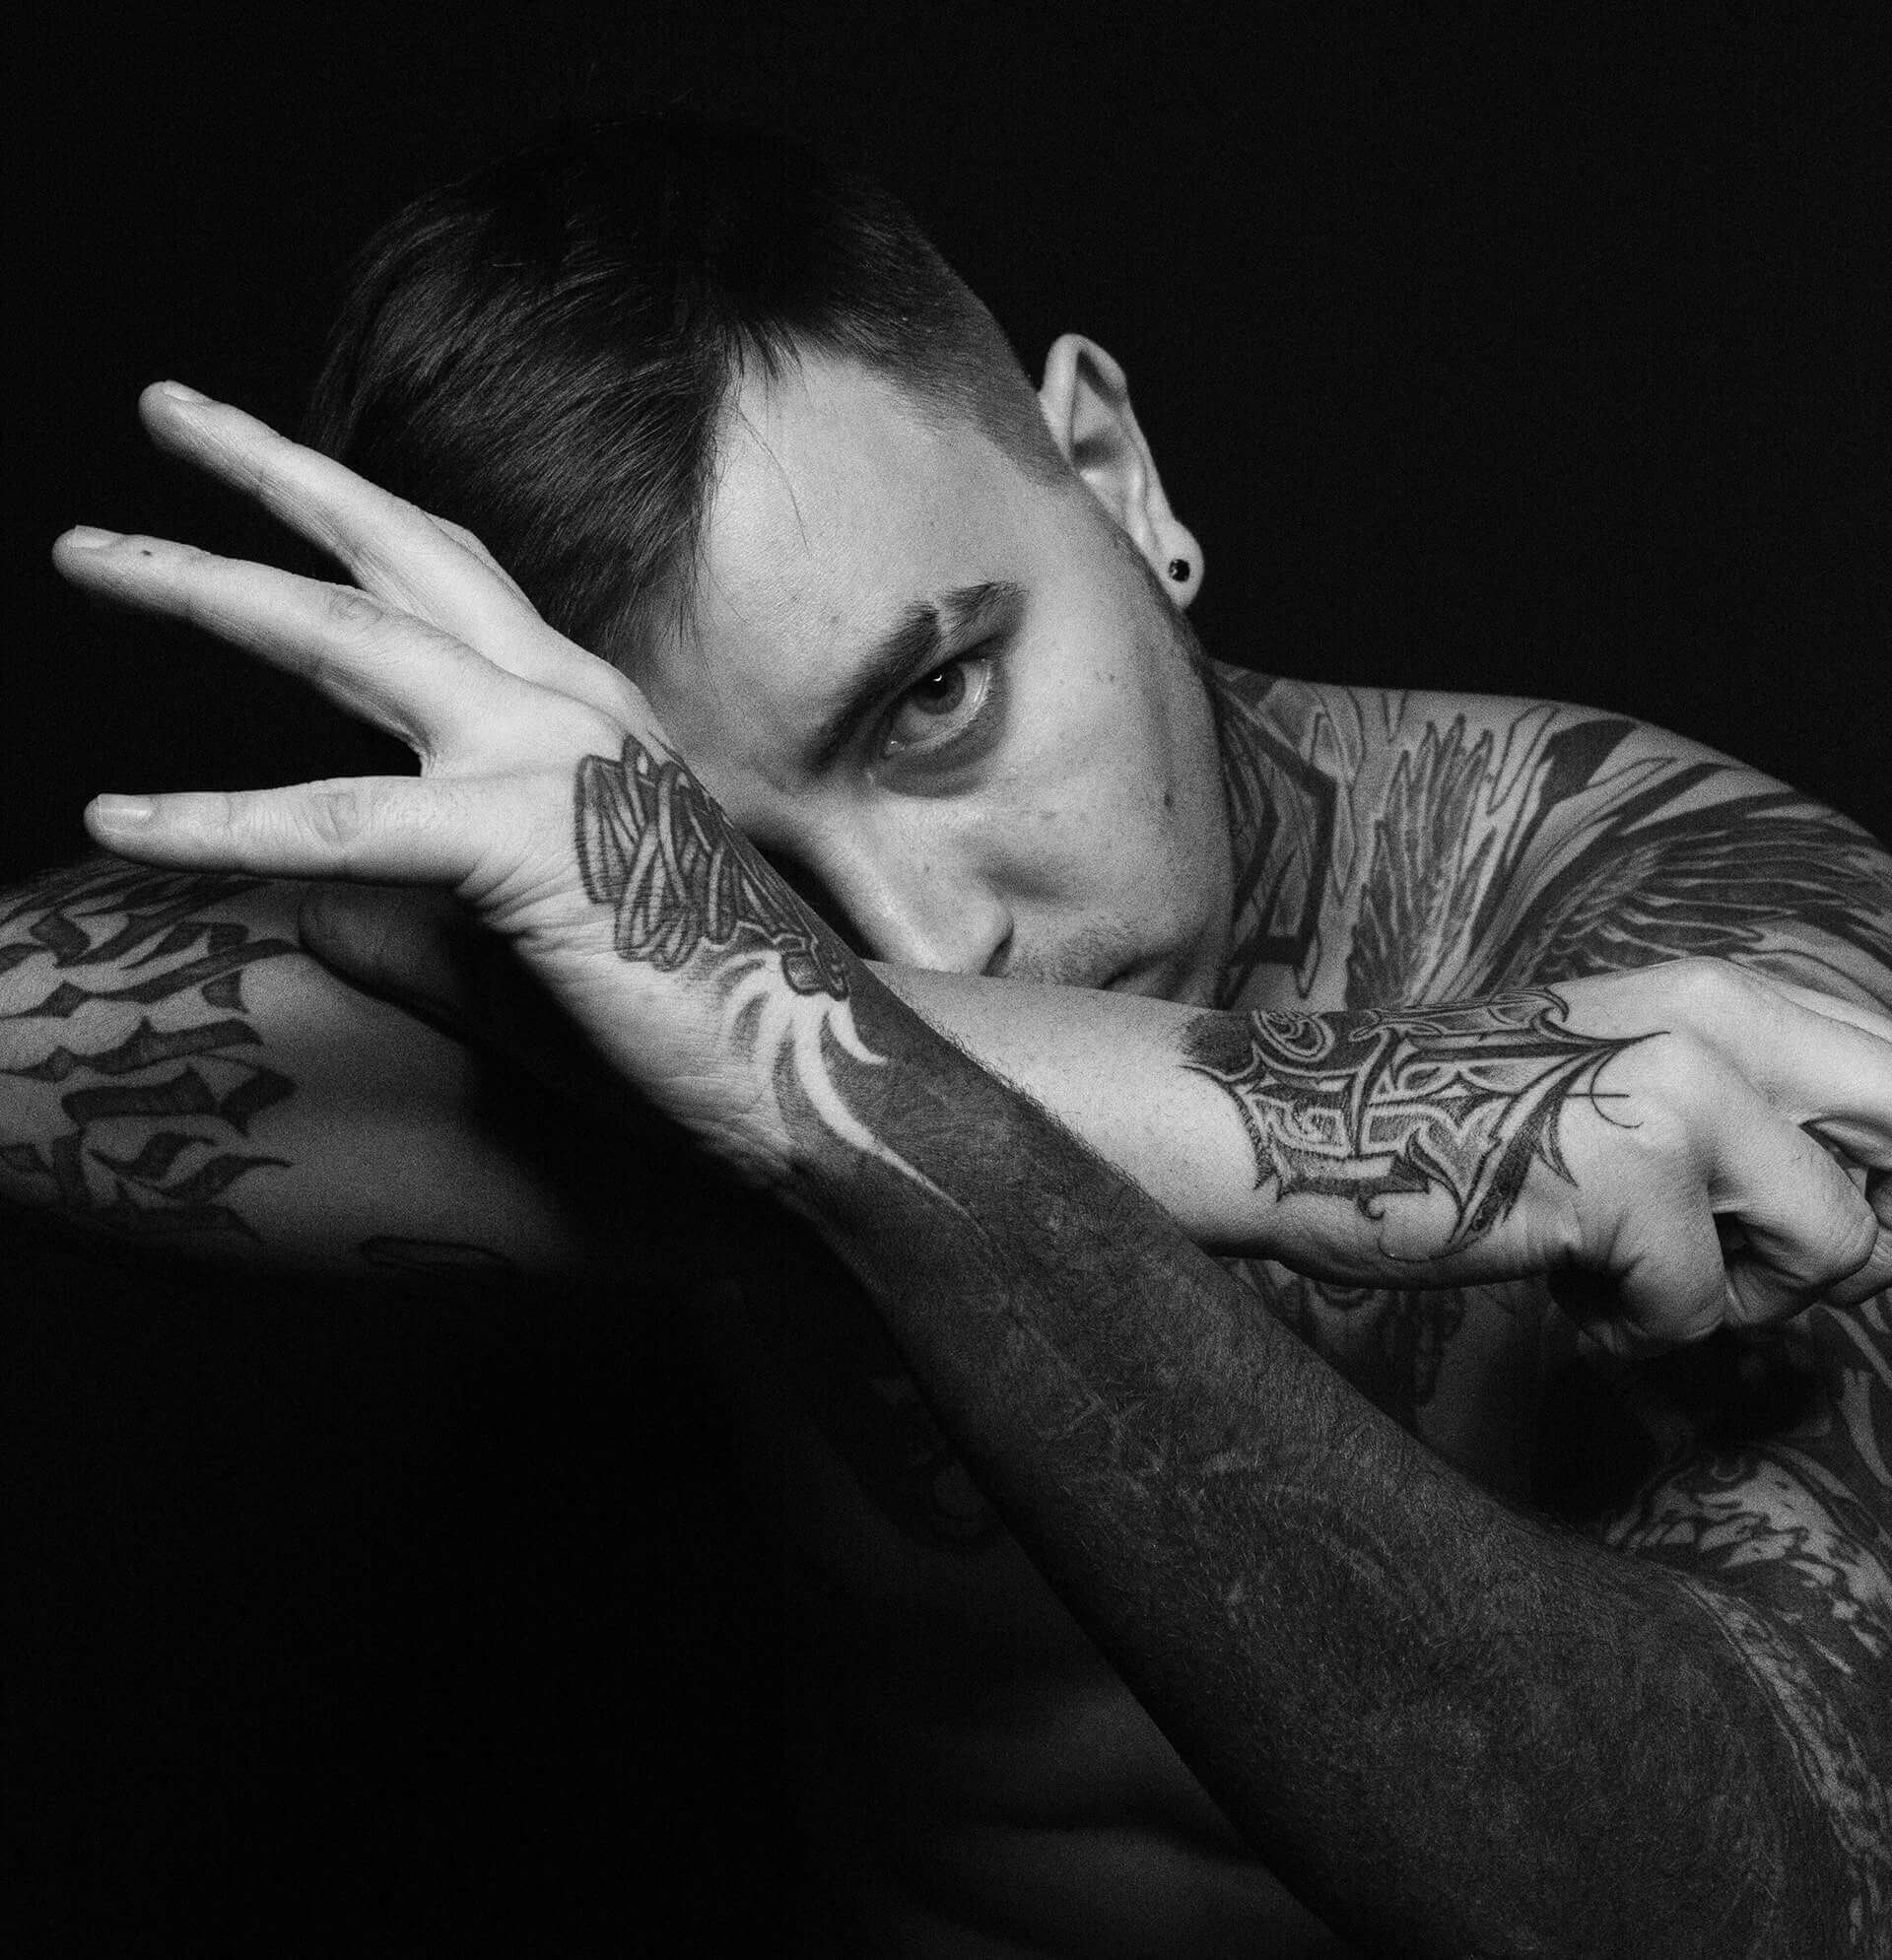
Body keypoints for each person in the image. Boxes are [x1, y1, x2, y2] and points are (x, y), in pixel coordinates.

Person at [11, 115, 1892, 1956]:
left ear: (1116, 474)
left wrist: (774, 1026)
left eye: (935, 699)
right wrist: (1322, 1123)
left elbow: (1776, 1899)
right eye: (735, 881)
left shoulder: (1666, 941)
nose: (916, 939)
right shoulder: (637, 1005)